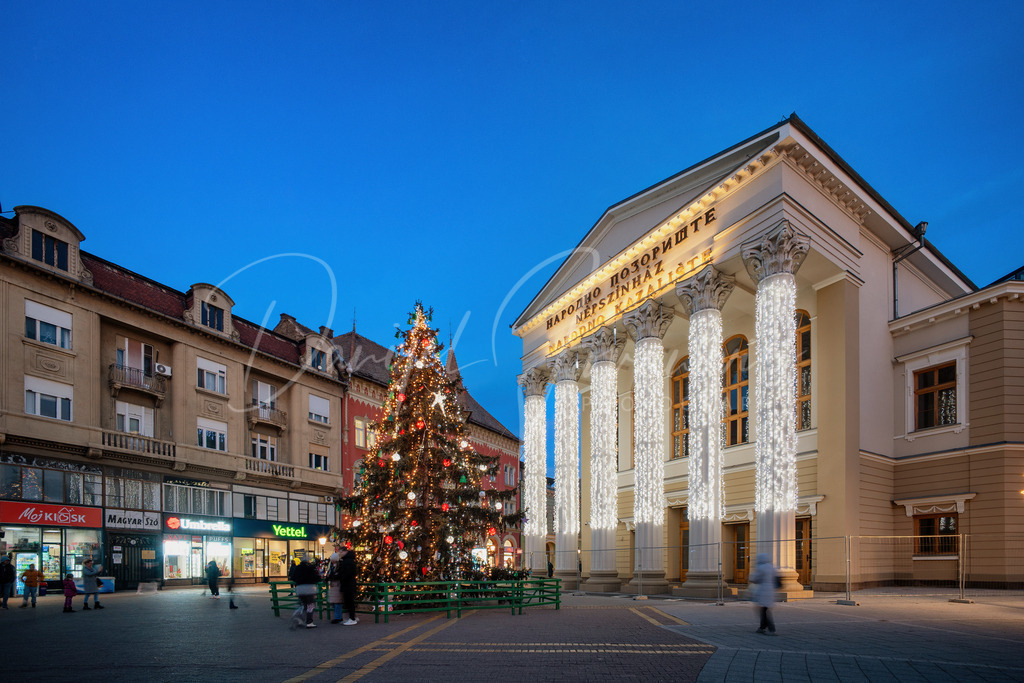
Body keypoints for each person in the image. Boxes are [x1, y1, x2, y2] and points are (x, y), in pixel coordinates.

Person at [288, 553, 321, 629]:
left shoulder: (297, 567)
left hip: (299, 588)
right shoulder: (311, 568)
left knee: (303, 604)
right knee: (310, 605)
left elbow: (292, 577)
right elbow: (316, 578)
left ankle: (298, 617)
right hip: (309, 588)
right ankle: (309, 622)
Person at [749, 552, 778, 635]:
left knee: (763, 610)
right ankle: (763, 627)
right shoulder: (771, 567)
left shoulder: (761, 568)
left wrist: (751, 577)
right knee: (765, 610)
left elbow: (755, 578)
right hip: (771, 591)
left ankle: (770, 628)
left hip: (763, 591)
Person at [339, 547, 358, 626]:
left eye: (340, 552)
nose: (340, 554)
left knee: (349, 601)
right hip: (349, 583)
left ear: (344, 552)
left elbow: (347, 573)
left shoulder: (347, 562)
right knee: (349, 601)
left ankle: (352, 618)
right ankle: (352, 617)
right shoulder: (350, 561)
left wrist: (342, 577)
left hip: (348, 584)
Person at [326, 548, 343, 624]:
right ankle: (338, 617)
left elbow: (338, 576)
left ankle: (338, 617)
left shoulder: (337, 567)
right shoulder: (334, 566)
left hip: (336, 585)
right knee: (336, 602)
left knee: (337, 602)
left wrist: (330, 577)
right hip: (334, 585)